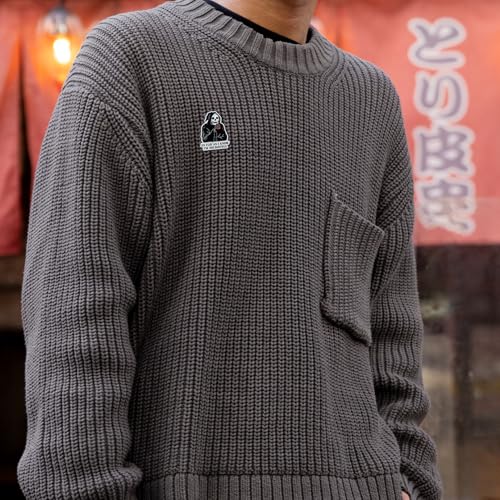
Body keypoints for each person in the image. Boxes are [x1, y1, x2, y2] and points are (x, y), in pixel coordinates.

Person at [17, 0, 443, 498]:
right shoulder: (130, 58)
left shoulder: (371, 99)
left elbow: (393, 333)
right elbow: (74, 317)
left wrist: (410, 483)